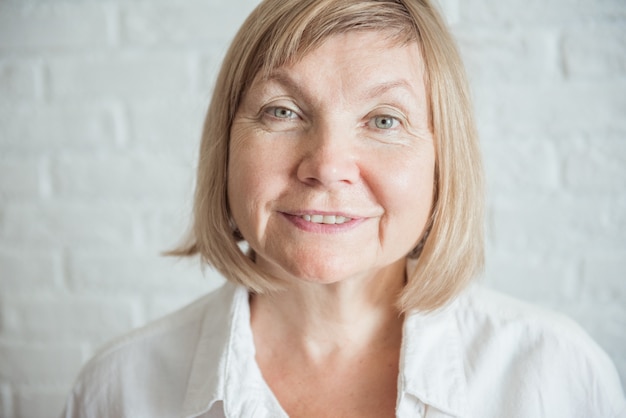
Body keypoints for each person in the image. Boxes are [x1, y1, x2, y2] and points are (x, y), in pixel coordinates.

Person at [62, 0, 626, 417]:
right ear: (227, 145)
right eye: (282, 111)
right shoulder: (119, 390)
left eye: (384, 120)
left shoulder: (558, 375)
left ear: (443, 161)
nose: (327, 165)